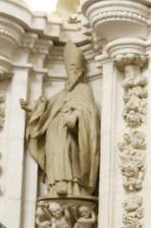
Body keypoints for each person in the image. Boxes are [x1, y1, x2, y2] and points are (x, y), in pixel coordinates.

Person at [21, 42, 99, 197]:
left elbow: (89, 112)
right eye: (70, 70)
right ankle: (55, 184)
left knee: (69, 156)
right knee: (56, 155)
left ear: (81, 73)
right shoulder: (62, 93)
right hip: (55, 135)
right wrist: (33, 108)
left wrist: (76, 116)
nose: (72, 74)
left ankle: (74, 187)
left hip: (69, 135)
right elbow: (47, 108)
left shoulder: (83, 89)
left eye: (75, 70)